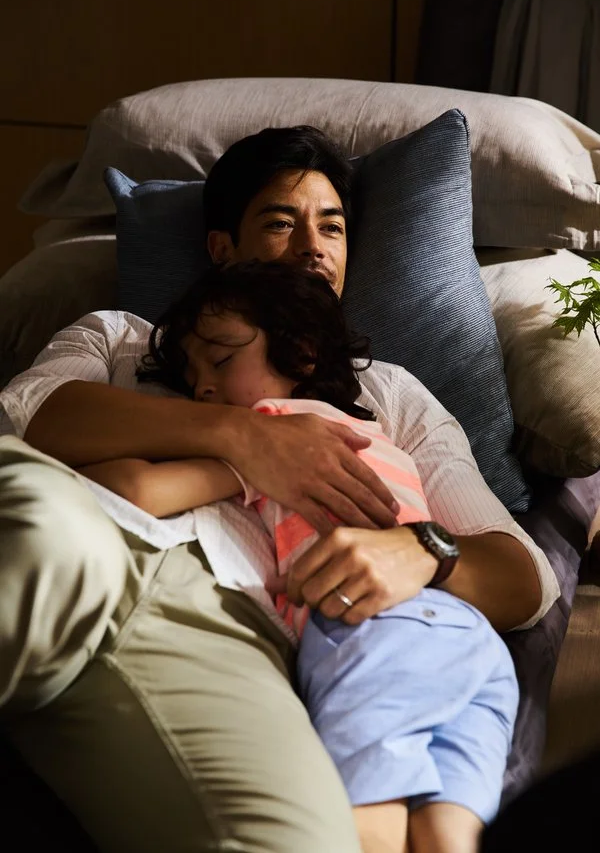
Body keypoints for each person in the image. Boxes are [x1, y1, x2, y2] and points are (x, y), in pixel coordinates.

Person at [0, 125, 559, 853]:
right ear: (221, 249)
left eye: (332, 226)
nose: (313, 246)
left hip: (232, 631)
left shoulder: (385, 394)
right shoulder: (121, 338)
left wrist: (422, 551)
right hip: (84, 530)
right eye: (279, 222)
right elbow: (27, 420)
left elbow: (526, 578)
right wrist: (243, 438)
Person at [78, 258, 521, 853]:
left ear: (302, 355)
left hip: (369, 628)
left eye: (223, 358)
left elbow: (133, 491)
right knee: (450, 834)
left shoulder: (278, 437)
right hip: (466, 630)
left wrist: (211, 451)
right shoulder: (373, 433)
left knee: (370, 828)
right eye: (191, 370)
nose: (202, 385)